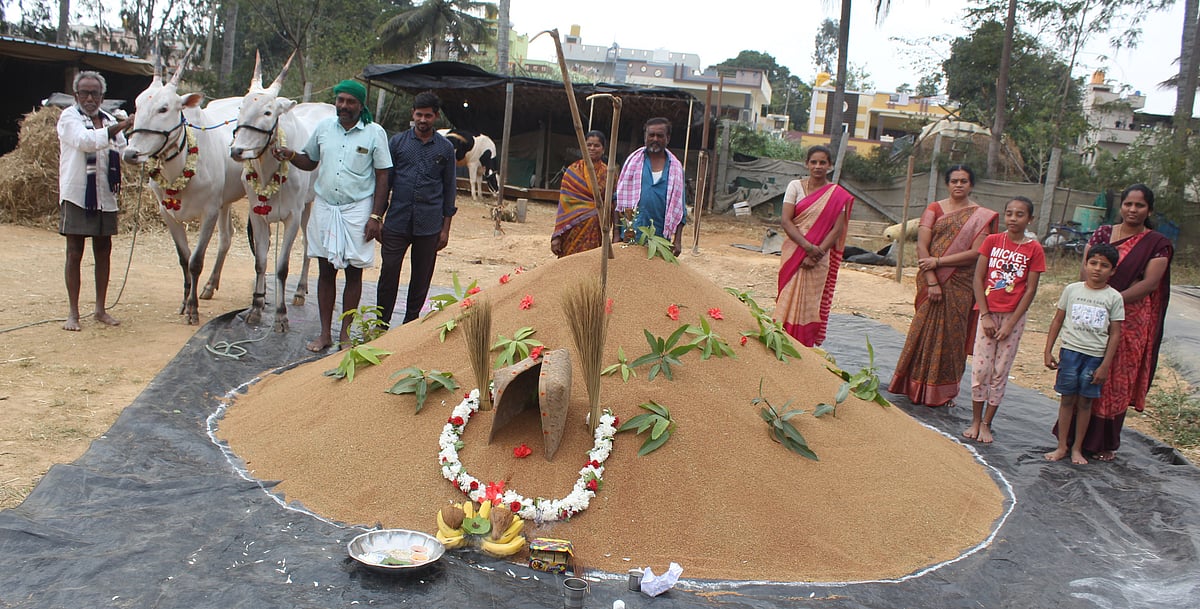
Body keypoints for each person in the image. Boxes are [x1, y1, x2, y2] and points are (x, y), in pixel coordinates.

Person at [274, 79, 391, 352]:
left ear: (361, 105)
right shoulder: (324, 128)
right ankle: (325, 334)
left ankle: (345, 335)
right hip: (325, 207)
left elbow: (383, 175)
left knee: (353, 273)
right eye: (340, 100)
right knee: (325, 271)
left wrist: (376, 216)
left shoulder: (375, 133)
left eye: (351, 102)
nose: (344, 106)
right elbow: (310, 161)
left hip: (357, 210)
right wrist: (290, 155)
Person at [888, 165, 998, 407]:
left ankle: (943, 393)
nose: (958, 185)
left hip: (961, 283)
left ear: (971, 185)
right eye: (954, 181)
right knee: (921, 331)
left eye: (963, 181)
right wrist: (932, 279)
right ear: (947, 184)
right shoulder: (934, 209)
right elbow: (922, 246)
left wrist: (939, 262)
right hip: (931, 280)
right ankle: (910, 385)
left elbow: (976, 253)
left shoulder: (980, 216)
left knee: (952, 338)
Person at [1077, 184, 1173, 461]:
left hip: (1130, 318)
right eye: (1128, 204)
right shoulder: (1103, 234)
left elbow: (1149, 283)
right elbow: (1086, 269)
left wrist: (1111, 301)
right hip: (1095, 314)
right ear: (1121, 206)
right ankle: (1075, 438)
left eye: (1139, 205)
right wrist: (1095, 299)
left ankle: (1105, 442)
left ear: (1149, 210)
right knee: (1087, 367)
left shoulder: (1157, 244)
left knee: (1117, 376)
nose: (1133, 210)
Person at [371, 91, 457, 327]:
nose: (422, 120)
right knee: (389, 272)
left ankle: (410, 325)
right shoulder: (398, 143)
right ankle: (380, 324)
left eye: (428, 116)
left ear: (436, 116)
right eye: (419, 115)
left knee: (421, 277)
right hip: (397, 221)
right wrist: (377, 217)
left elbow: (449, 189)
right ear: (413, 114)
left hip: (429, 224)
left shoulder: (445, 148)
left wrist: (445, 229)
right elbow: (385, 183)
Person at [57, 70, 134, 331]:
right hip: (78, 194)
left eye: (95, 93)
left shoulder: (109, 119)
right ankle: (73, 313)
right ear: (76, 95)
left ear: (102, 96)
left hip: (105, 196)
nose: (90, 98)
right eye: (85, 93)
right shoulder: (69, 117)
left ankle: (100, 309)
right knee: (74, 252)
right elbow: (86, 141)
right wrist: (121, 126)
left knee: (103, 251)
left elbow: (122, 151)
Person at [965, 197, 1045, 442]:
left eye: (1020, 214)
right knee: (981, 369)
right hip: (988, 314)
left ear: (1030, 219)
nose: (1013, 218)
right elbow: (978, 279)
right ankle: (975, 420)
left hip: (1013, 318)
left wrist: (1010, 323)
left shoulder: (1034, 249)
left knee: (1000, 371)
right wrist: (985, 315)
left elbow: (1030, 290)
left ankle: (987, 423)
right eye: (1009, 213)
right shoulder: (992, 241)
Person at [1044, 243, 1124, 465]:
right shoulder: (1072, 290)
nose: (1097, 268)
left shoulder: (1114, 297)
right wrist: (1048, 350)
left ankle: (1077, 448)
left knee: (1086, 402)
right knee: (1067, 399)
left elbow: (1115, 333)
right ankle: (1062, 446)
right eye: (1093, 263)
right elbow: (1057, 320)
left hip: (1094, 357)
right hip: (1070, 353)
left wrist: (1105, 365)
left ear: (1113, 271)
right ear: (1086, 264)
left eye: (1104, 265)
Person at [774, 145, 854, 347]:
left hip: (820, 257)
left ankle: (803, 346)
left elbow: (837, 229)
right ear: (807, 164)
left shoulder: (836, 195)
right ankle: (780, 341)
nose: (818, 166)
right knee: (787, 297)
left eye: (822, 162)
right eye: (814, 162)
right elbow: (786, 221)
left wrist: (816, 254)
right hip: (795, 252)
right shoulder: (795, 186)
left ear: (830, 165)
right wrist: (808, 247)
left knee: (810, 302)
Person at [614, 117, 687, 256]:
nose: (655, 139)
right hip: (631, 234)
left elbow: (680, 207)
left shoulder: (676, 168)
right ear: (645, 137)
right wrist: (616, 234)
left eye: (660, 136)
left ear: (668, 138)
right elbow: (618, 200)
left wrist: (677, 240)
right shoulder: (632, 163)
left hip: (659, 238)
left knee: (655, 270)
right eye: (651, 135)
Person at [551, 130, 609, 257]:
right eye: (589, 145)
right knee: (570, 263)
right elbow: (564, 206)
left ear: (603, 149)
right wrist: (557, 235)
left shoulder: (608, 173)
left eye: (596, 145)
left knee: (591, 262)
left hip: (596, 228)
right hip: (573, 230)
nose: (592, 148)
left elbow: (612, 202)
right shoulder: (573, 171)